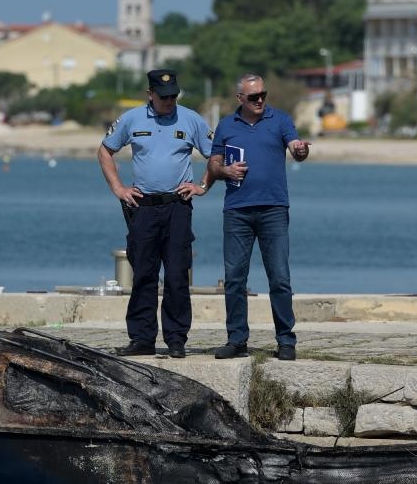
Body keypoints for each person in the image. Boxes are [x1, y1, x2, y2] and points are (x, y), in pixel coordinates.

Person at [97, 69, 212, 357]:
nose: (169, 101)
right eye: (163, 97)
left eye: (173, 95)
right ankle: (142, 339)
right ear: (150, 94)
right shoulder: (131, 119)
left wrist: (202, 186)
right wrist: (119, 189)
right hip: (143, 208)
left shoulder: (191, 119)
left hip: (177, 207)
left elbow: (217, 155)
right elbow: (104, 151)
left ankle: (176, 340)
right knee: (144, 276)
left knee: (176, 275)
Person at [206, 74, 309, 361]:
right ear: (240, 99)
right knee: (235, 279)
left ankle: (286, 341)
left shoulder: (280, 119)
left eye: (263, 94)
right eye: (253, 97)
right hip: (237, 211)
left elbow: (296, 148)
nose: (260, 100)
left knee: (279, 278)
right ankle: (236, 340)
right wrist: (225, 171)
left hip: (274, 209)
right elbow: (214, 162)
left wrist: (300, 150)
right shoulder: (227, 125)